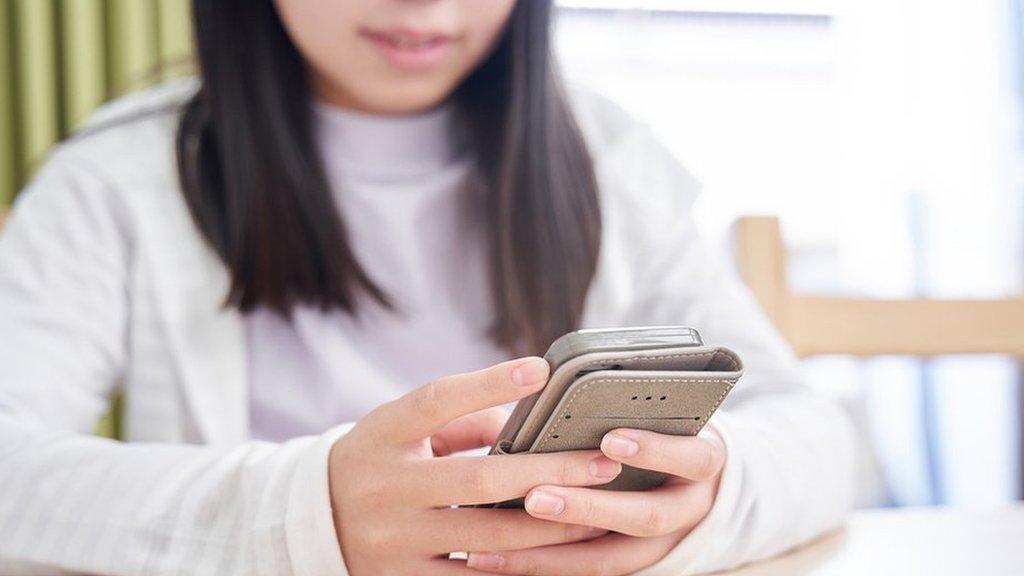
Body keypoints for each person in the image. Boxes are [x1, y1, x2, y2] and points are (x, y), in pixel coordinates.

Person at [0, 1, 854, 574]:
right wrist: (302, 517)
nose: (426, 5)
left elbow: (813, 434)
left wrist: (705, 497)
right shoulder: (115, 179)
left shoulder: (607, 156)